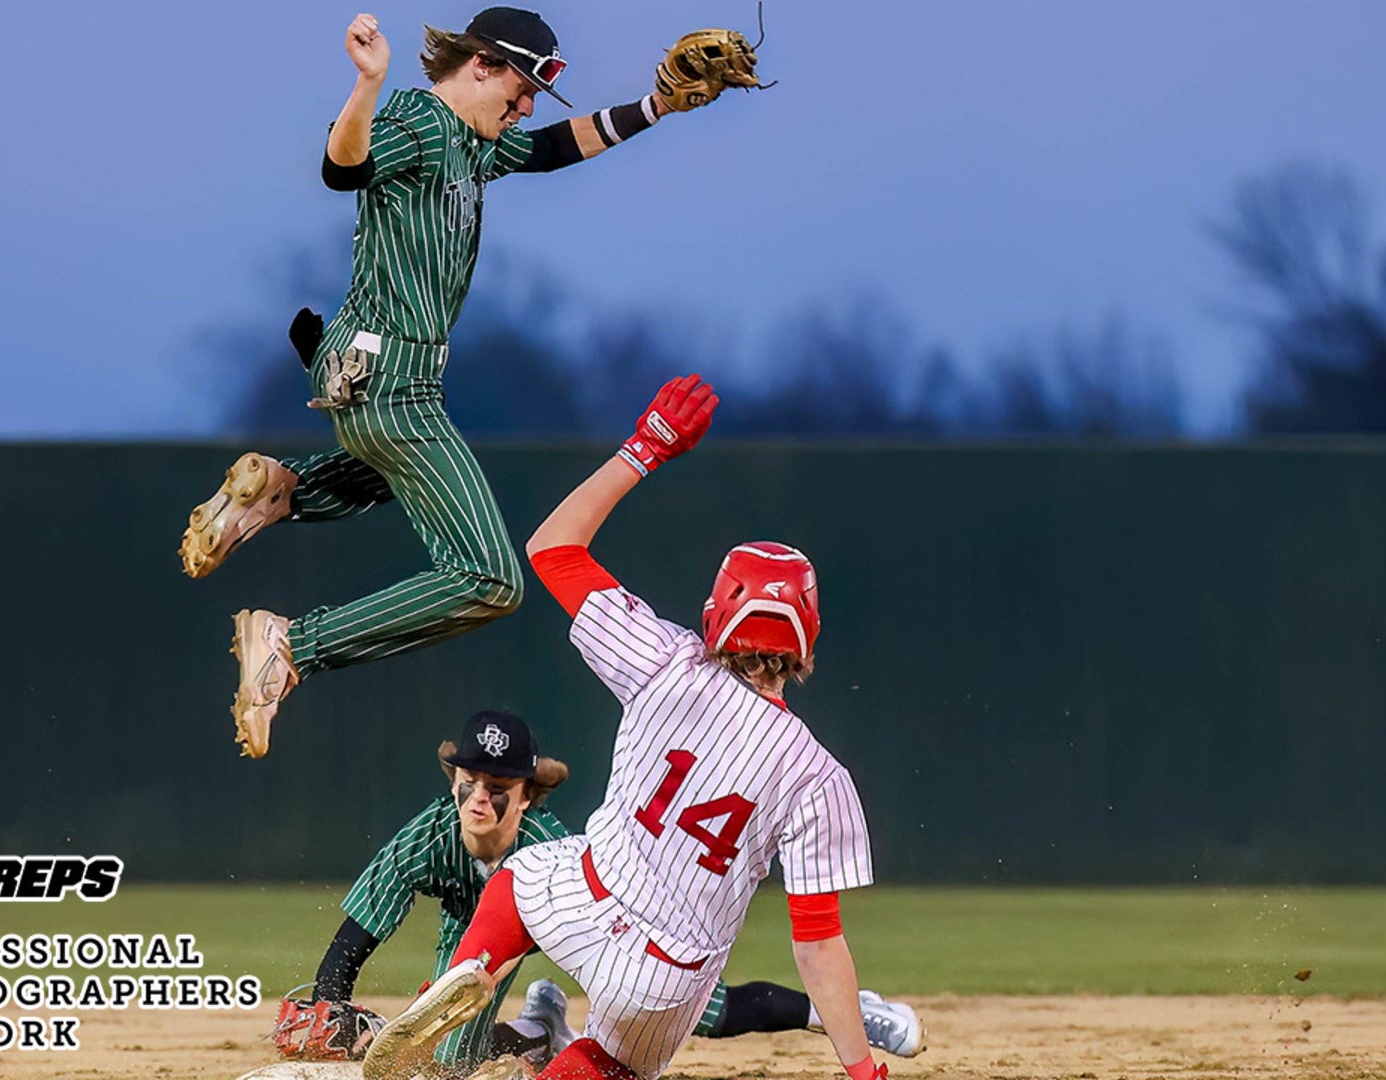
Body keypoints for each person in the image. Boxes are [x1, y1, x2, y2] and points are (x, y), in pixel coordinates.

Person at [177, 8, 739, 759]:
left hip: (366, 374)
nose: (528, 104)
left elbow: (548, 151)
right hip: (392, 379)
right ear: (480, 63)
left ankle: (280, 491)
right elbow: (342, 167)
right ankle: (292, 644)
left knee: (392, 474)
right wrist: (369, 83)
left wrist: (658, 105)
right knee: (488, 579)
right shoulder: (420, 117)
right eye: (522, 85)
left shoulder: (473, 143)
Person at [365, 376, 896, 1080]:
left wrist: (647, 447)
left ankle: (467, 975)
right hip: (667, 973)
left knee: (517, 880)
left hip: (582, 894)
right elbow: (817, 944)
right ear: (807, 636)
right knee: (611, 1059)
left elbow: (553, 548)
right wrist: (863, 1070)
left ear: (718, 614)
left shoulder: (664, 660)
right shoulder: (817, 775)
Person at [274, 711, 922, 1077]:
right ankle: (536, 1033)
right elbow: (371, 906)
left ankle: (838, 1012)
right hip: (476, 944)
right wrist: (330, 997)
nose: (479, 795)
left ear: (528, 793)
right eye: (469, 778)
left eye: (499, 784)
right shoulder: (435, 831)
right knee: (454, 1050)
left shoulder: (545, 844)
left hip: (606, 926)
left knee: (709, 1010)